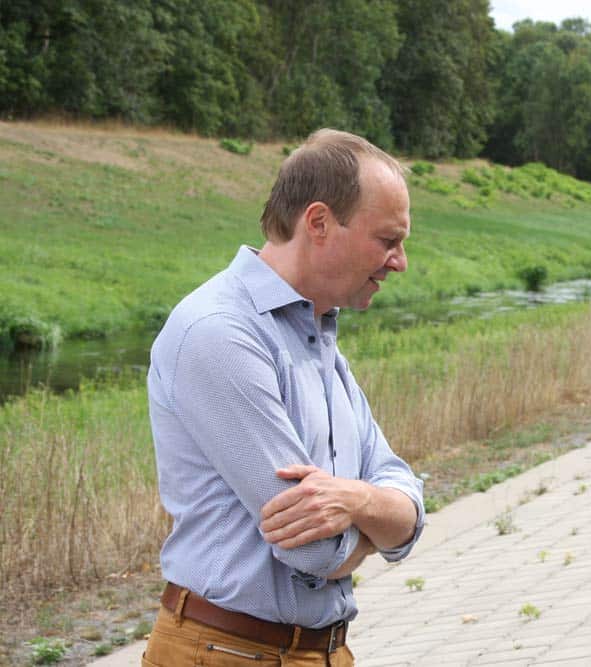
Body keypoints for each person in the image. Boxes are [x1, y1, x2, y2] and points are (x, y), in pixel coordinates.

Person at [144, 129, 425, 666]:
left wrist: (359, 501)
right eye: (387, 240)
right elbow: (313, 550)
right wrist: (380, 522)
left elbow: (404, 495)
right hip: (226, 652)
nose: (399, 261)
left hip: (321, 651)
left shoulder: (316, 335)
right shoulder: (220, 333)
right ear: (318, 222)